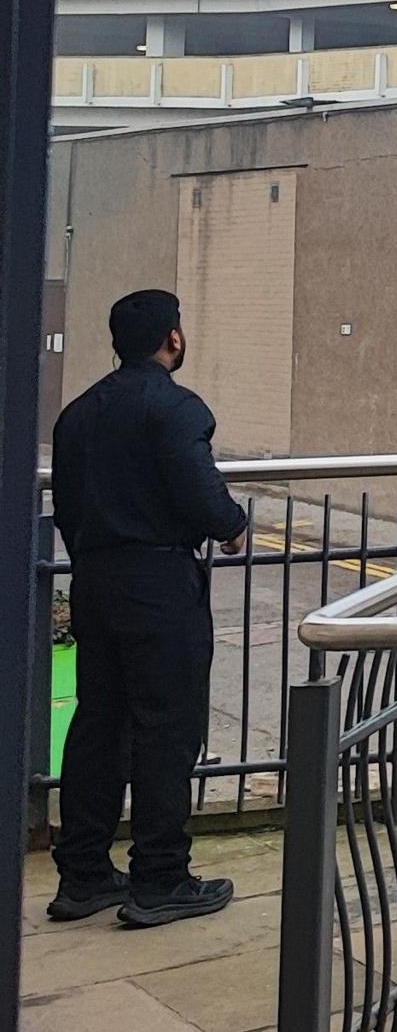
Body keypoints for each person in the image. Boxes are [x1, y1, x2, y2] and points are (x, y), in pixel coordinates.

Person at [45, 289, 245, 927]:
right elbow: (203, 497)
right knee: (167, 729)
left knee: (98, 722)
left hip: (95, 581)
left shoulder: (77, 414)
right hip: (158, 584)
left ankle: (83, 876)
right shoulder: (177, 409)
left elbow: (71, 509)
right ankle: (160, 877)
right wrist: (234, 524)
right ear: (174, 339)